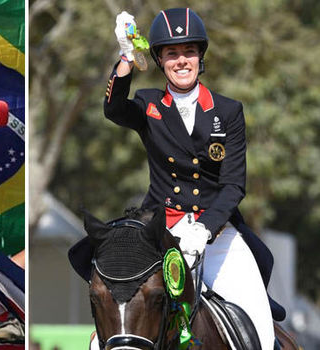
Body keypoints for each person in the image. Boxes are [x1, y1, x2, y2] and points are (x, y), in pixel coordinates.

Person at [104, 8, 275, 350]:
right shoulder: (149, 104)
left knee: (262, 328)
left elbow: (233, 185)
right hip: (161, 234)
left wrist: (204, 229)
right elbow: (113, 108)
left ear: (200, 57)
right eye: (171, 54)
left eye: (189, 52)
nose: (181, 61)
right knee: (114, 320)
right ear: (160, 60)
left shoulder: (227, 111)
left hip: (216, 236)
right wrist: (126, 57)